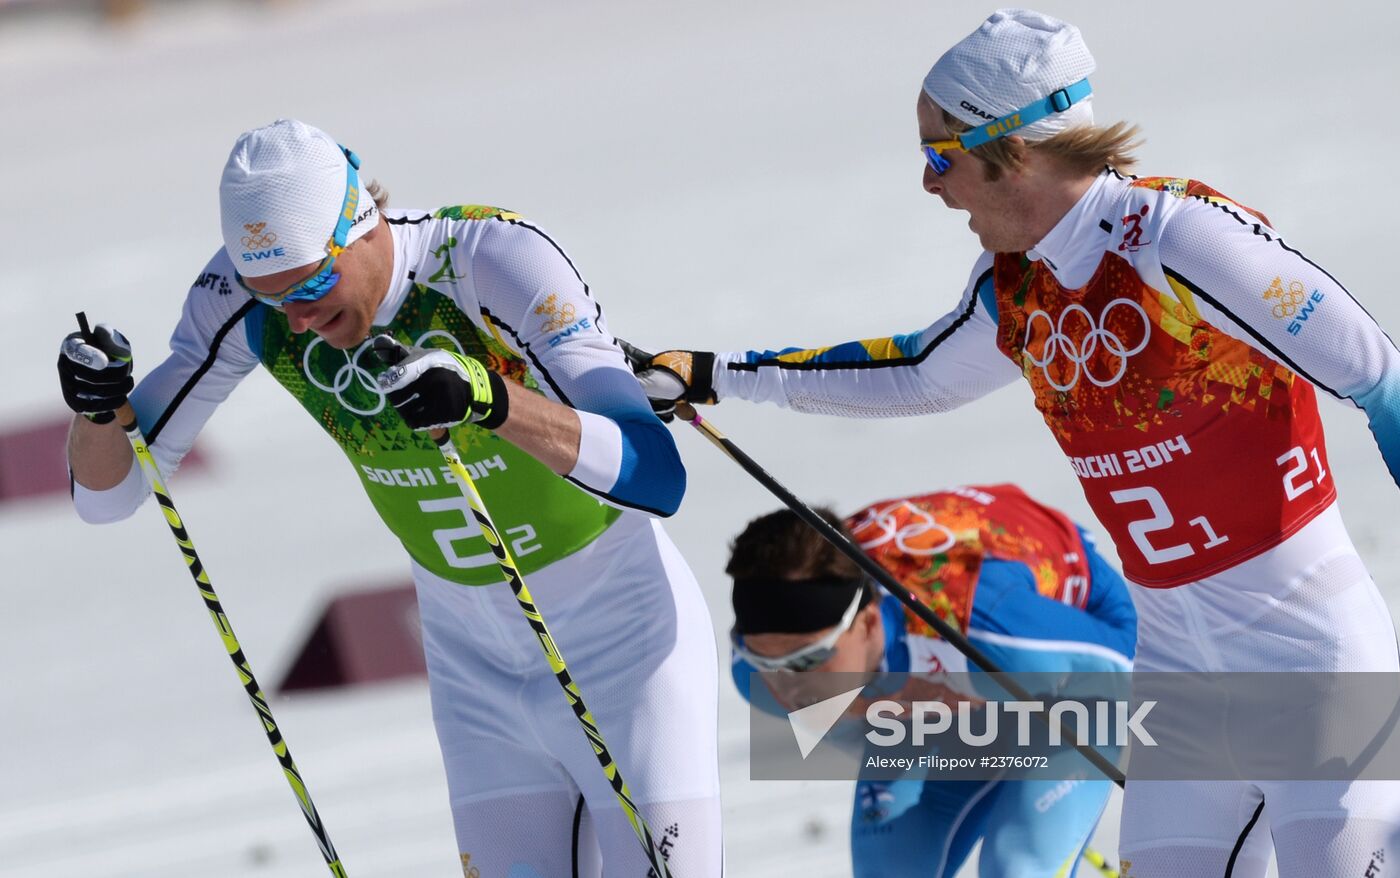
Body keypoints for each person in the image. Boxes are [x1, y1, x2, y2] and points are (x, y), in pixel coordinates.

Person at [625, 8, 1400, 876]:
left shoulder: (1178, 241)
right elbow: (917, 373)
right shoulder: (1019, 284)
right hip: (1182, 680)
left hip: (1311, 665)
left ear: (1015, 148)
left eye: (938, 156)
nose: (930, 185)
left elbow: (1381, 379)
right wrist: (720, 373)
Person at [57, 119, 721, 877]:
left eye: (312, 285)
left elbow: (655, 472)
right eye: (273, 299)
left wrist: (490, 400)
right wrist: (96, 409)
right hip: (474, 669)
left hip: (620, 640)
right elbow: (108, 496)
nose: (299, 318)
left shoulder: (488, 260)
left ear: (361, 226)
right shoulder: (248, 298)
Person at [727, 484, 1135, 877]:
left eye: (810, 658)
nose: (786, 684)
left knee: (1019, 866)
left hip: (1066, 679)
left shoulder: (994, 632)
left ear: (867, 623)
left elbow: (1128, 665)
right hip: (943, 695)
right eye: (761, 657)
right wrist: (874, 706)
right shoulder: (756, 673)